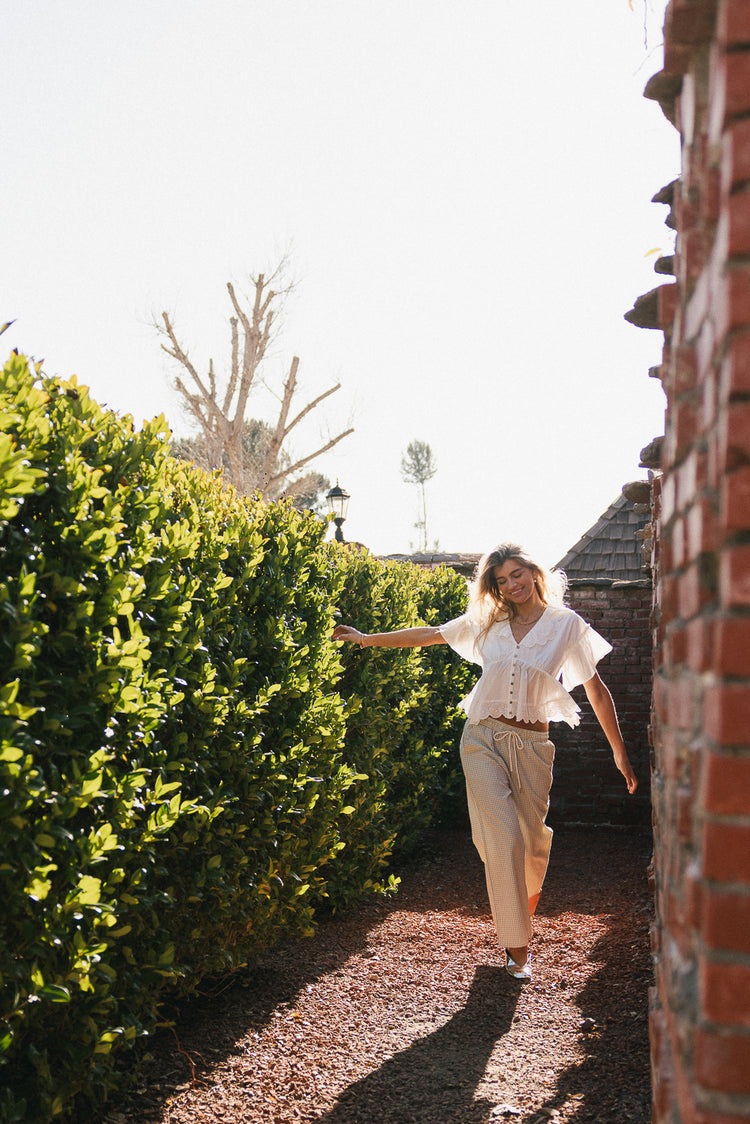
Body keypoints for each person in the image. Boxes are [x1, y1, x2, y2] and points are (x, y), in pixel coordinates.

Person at [332, 543, 638, 982]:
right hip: (481, 738)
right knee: (502, 836)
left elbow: (596, 689)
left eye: (517, 574)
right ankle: (518, 947)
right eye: (501, 581)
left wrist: (619, 752)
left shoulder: (565, 625)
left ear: (534, 573)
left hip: (532, 746)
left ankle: (520, 911)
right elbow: (431, 633)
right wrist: (367, 639)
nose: (512, 585)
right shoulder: (488, 623)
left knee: (531, 843)